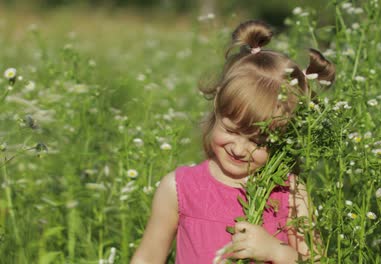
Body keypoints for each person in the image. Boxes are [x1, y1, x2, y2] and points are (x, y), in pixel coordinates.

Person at [131, 20, 335, 264]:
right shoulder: (179, 188)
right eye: (231, 130)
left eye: (258, 141)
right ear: (217, 107)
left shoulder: (289, 193)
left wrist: (277, 252)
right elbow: (148, 257)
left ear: (286, 137)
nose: (239, 149)